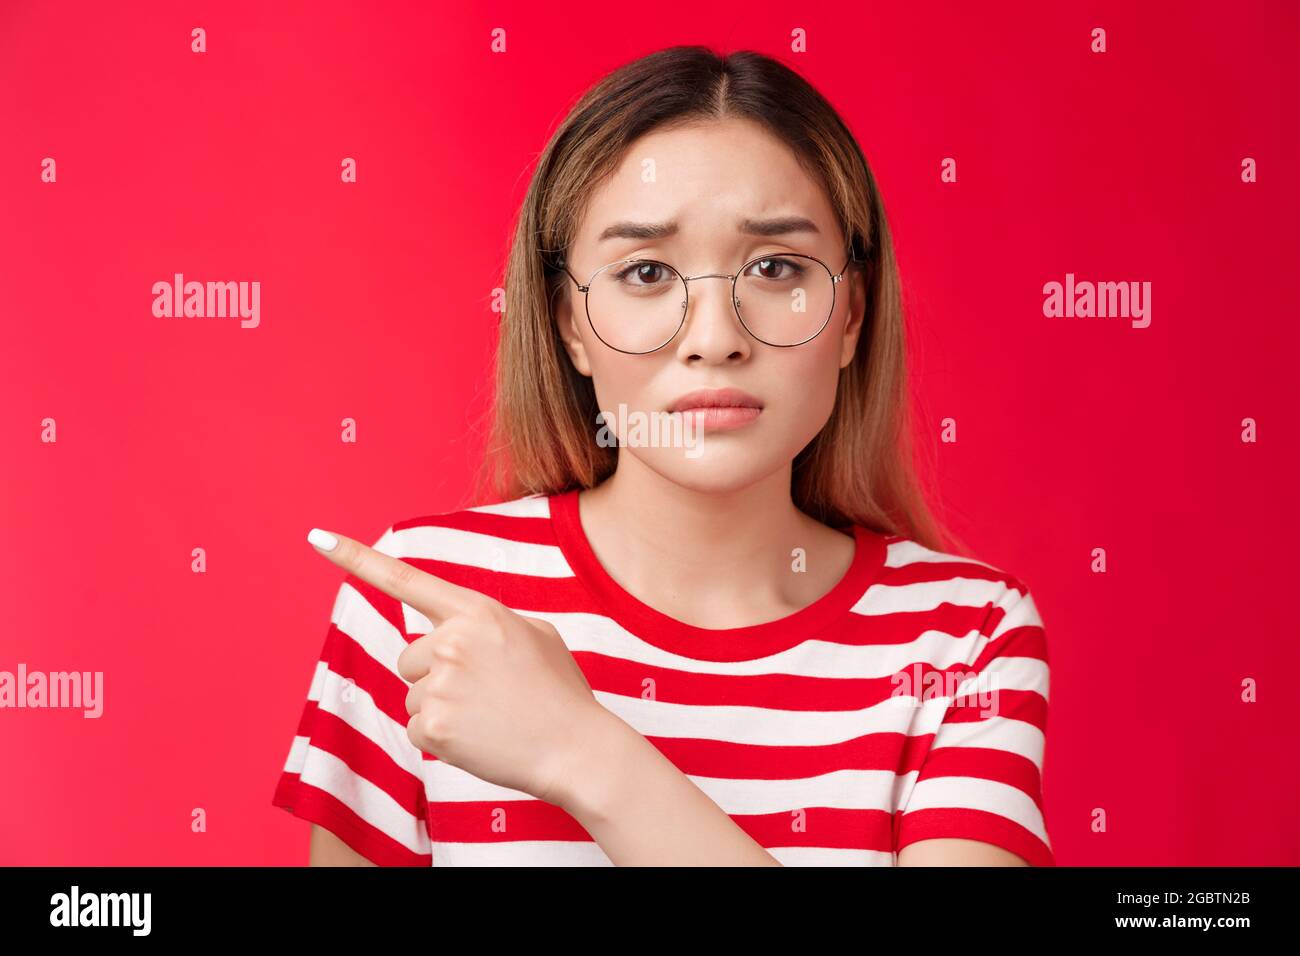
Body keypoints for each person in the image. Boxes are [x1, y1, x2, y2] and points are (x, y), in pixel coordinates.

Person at [272, 45, 1053, 867]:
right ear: (569, 326)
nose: (715, 340)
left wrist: (582, 752)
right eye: (645, 271)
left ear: (852, 314)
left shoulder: (966, 639)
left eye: (776, 267)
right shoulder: (426, 603)